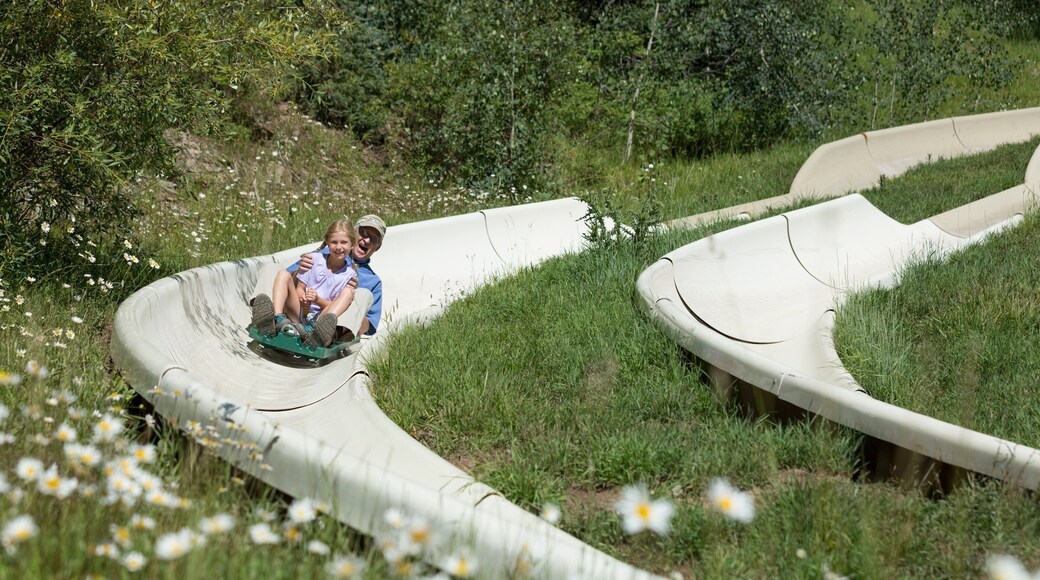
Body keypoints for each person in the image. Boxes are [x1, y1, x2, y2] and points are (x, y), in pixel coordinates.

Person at [251, 214, 386, 348]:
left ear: (377, 247)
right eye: (364, 233)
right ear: (354, 234)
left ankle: (324, 335)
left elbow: (369, 325)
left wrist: (349, 305)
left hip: (329, 318)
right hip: (298, 310)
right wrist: (299, 271)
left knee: (362, 294)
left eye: (373, 238)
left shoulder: (373, 281)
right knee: (271, 267)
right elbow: (287, 280)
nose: (367, 240)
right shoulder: (322, 255)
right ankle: (268, 320)